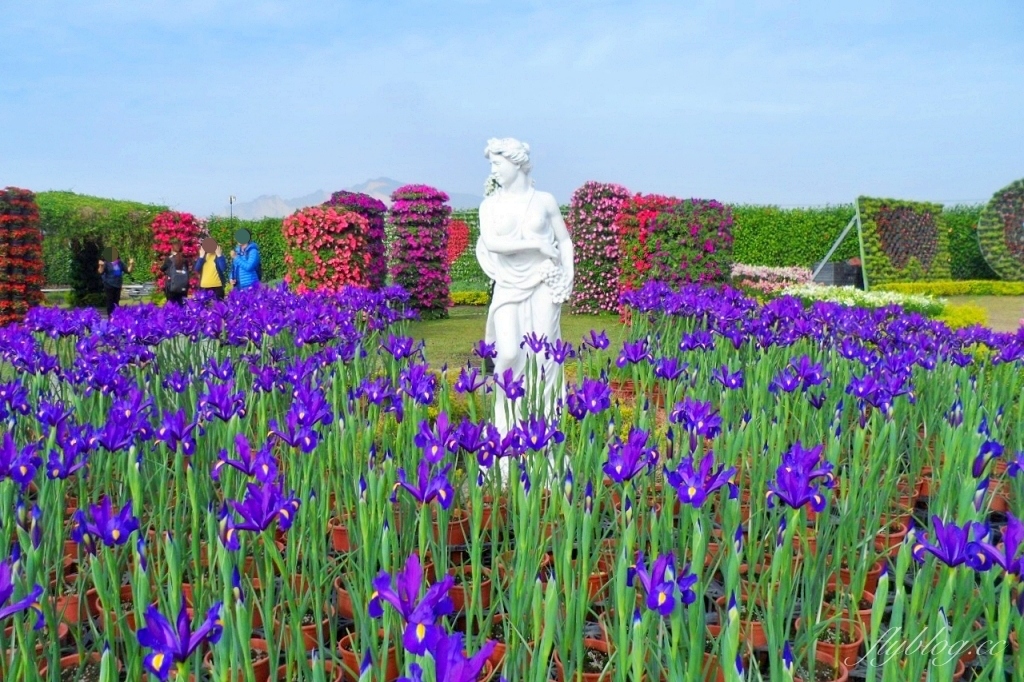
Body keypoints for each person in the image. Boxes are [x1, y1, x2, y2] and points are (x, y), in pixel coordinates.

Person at [476, 138, 574, 443]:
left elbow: (565, 240)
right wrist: (536, 244)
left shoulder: (544, 200)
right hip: (508, 284)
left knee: (543, 356)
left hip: (544, 282)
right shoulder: (489, 205)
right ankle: (505, 427)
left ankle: (543, 428)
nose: (493, 170)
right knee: (507, 353)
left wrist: (568, 274)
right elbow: (492, 243)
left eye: (497, 163)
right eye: (491, 164)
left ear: (515, 162)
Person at [97, 247, 135, 317]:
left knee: (116, 302)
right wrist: (101, 265)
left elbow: (128, 270)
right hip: (109, 285)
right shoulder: (106, 263)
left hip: (117, 285)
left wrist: (131, 264)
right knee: (110, 302)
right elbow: (100, 272)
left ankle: (116, 317)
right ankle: (110, 317)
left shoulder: (120, 262)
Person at [161, 239, 190, 305]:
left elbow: (162, 269)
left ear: (172, 249)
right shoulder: (185, 259)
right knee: (182, 305)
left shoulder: (169, 259)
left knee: (172, 305)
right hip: (183, 287)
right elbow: (187, 270)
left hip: (171, 287)